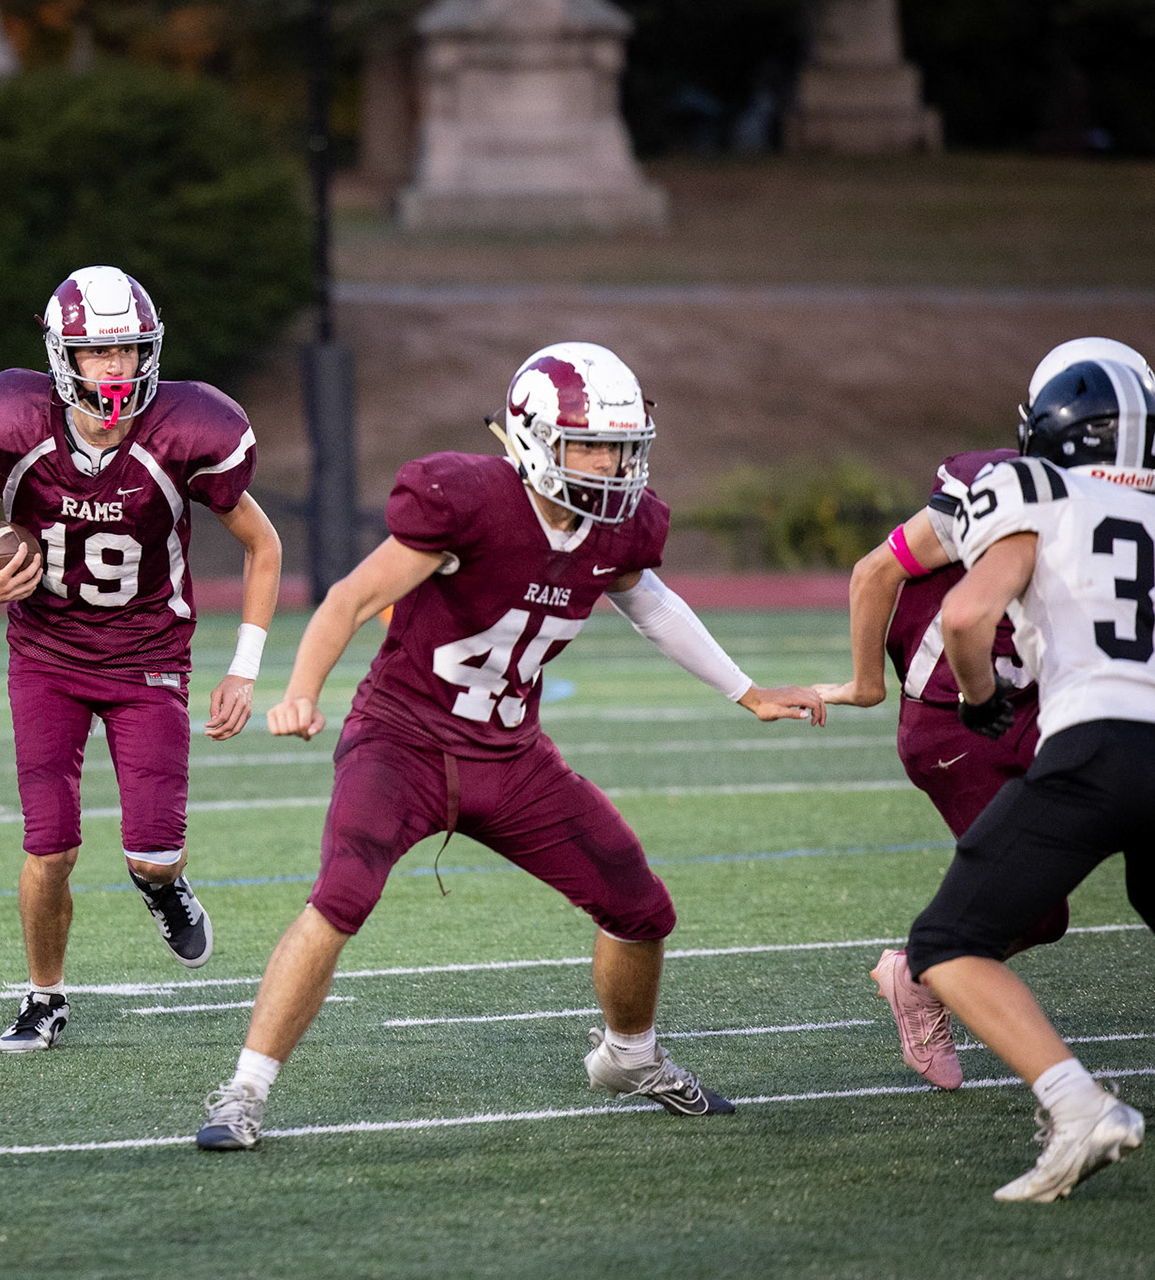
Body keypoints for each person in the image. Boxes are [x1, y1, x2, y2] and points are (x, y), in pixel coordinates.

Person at [193, 342, 826, 1151]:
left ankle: (629, 1059)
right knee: (342, 895)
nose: (610, 464)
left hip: (512, 757)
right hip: (404, 742)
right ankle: (243, 1092)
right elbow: (351, 597)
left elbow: (651, 603)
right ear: (530, 437)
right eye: (590, 443)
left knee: (640, 907)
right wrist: (302, 691)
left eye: (621, 445)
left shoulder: (621, 525)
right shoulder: (468, 500)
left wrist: (748, 690)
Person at [0, 265, 282, 1053]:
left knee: (152, 856)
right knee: (47, 842)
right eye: (100, 352)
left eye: (129, 349)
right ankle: (43, 996)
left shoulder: (187, 432)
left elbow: (264, 544)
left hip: (148, 659)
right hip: (47, 656)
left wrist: (244, 667)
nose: (117, 367)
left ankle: (162, 888)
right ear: (64, 357)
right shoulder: (14, 427)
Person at [815, 337, 1152, 1090]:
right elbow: (877, 571)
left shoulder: (1124, 498)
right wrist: (869, 683)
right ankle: (917, 973)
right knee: (1038, 914)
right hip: (961, 714)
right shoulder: (999, 484)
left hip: (1050, 703)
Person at [909, 354, 1154, 1201]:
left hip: (1097, 744)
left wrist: (979, 698)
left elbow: (967, 613)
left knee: (946, 944)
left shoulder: (1038, 490)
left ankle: (1076, 1104)